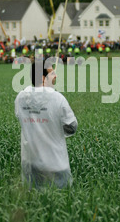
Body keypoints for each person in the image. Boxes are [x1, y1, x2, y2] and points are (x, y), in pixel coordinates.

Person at [15, 60, 78, 190]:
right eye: (52, 73)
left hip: (30, 166)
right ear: (43, 78)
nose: (55, 76)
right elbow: (72, 127)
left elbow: (21, 117)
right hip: (56, 166)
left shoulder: (20, 98)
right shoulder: (58, 99)